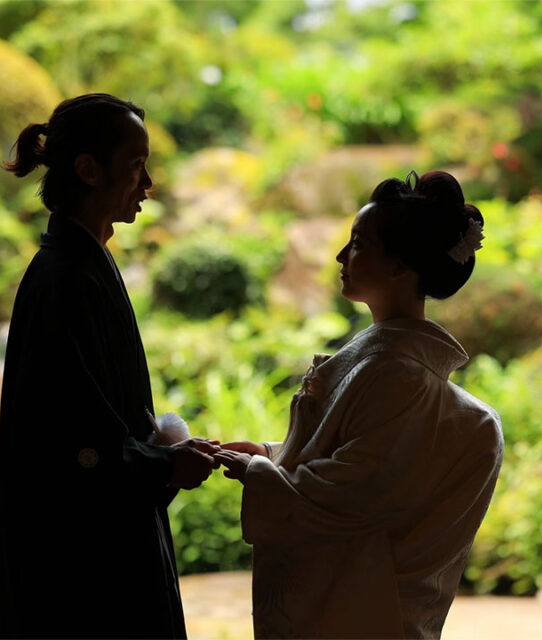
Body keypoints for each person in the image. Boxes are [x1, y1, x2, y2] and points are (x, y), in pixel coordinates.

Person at [214, 170, 504, 639]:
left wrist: (260, 474)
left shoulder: (398, 372)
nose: (340, 256)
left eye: (359, 244)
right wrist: (269, 454)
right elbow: (352, 455)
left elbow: (351, 491)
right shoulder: (388, 363)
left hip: (360, 611)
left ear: (400, 267)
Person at [0, 94, 217, 639]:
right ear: (89, 169)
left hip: (100, 545)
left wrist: (165, 455)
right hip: (82, 569)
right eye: (136, 165)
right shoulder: (63, 277)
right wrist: (165, 465)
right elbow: (71, 440)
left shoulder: (81, 262)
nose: (148, 182)